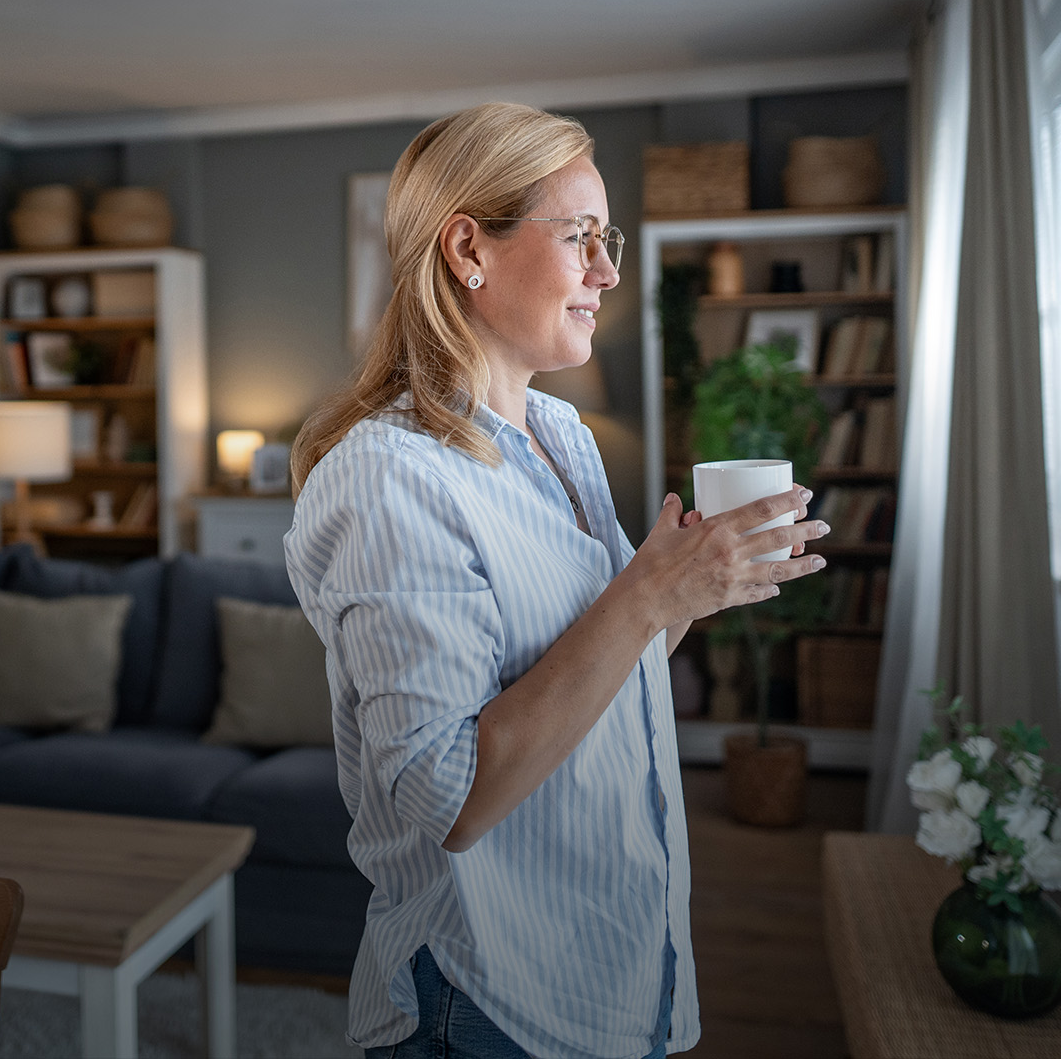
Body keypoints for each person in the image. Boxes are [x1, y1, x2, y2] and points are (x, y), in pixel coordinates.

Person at [284, 101, 828, 1059]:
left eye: (605, 240)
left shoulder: (561, 435)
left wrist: (687, 590)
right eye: (581, 237)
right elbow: (451, 800)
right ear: (469, 249)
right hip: (489, 1000)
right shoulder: (388, 477)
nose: (607, 272)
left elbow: (606, 666)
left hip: (613, 965)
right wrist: (648, 595)